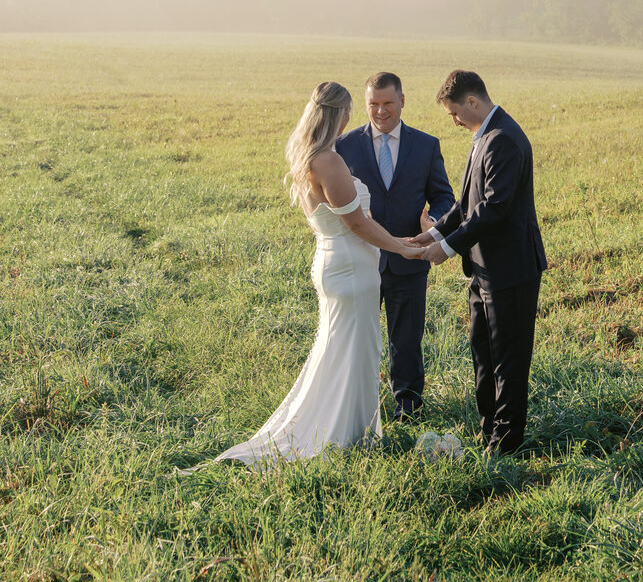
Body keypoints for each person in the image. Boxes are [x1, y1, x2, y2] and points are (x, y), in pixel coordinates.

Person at [212, 82, 422, 468]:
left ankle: (349, 429)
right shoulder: (328, 161)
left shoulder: (306, 156)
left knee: (340, 349)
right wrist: (401, 246)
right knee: (353, 352)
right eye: (349, 111)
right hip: (350, 268)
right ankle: (343, 435)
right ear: (339, 113)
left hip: (333, 260)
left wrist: (396, 240)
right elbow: (357, 223)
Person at [410, 70, 547, 455]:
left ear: (472, 101)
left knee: (508, 360)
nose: (454, 121)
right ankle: (488, 433)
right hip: (484, 271)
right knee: (483, 354)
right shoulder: (484, 136)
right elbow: (466, 203)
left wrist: (447, 248)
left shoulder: (503, 139)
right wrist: (435, 234)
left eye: (454, 113)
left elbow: (493, 209)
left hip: (511, 270)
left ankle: (505, 447)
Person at [336, 72, 454, 420]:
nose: (380, 111)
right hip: (360, 258)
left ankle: (408, 409)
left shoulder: (426, 145)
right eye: (373, 104)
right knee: (358, 338)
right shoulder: (344, 145)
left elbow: (443, 197)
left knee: (406, 339)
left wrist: (434, 222)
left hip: (410, 256)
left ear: (402, 100)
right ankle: (358, 406)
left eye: (388, 103)